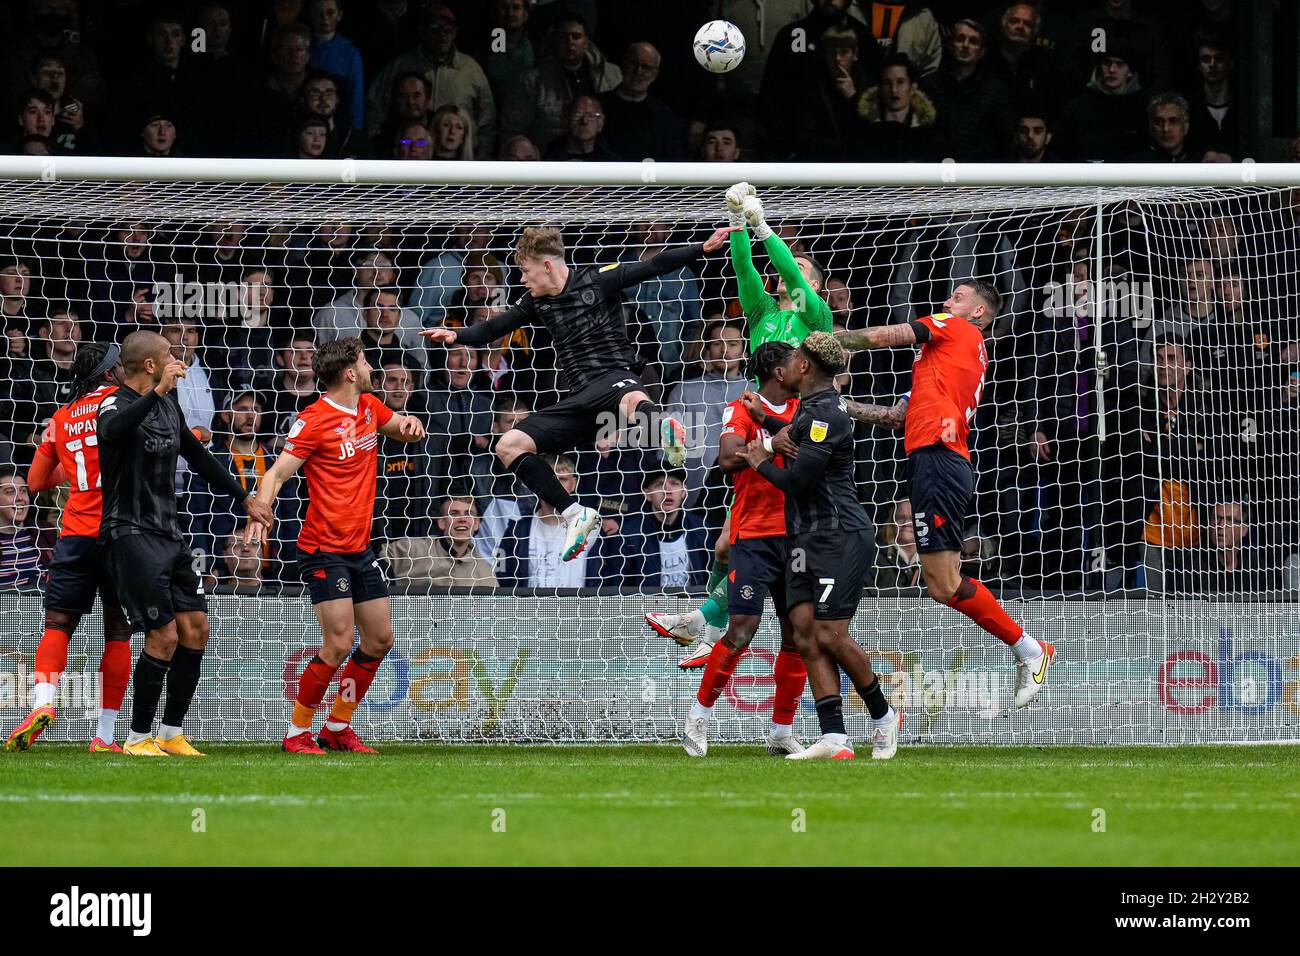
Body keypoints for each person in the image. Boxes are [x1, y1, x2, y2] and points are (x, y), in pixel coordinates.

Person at [421, 225, 733, 565]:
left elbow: (654, 265)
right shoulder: (535, 302)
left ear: (547, 266)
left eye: (525, 271)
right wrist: (456, 335)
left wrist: (701, 248)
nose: (522, 279)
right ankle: (575, 514)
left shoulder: (597, 278)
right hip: (581, 400)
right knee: (507, 446)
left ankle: (663, 428)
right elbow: (494, 327)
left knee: (629, 398)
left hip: (615, 378)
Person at [836, 281, 1055, 708]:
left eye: (957, 297)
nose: (945, 302)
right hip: (933, 461)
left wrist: (828, 341)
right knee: (942, 584)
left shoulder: (956, 330)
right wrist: (838, 406)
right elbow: (895, 416)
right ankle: (1029, 650)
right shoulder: (939, 362)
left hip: (940, 459)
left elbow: (888, 335)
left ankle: (1030, 649)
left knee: (945, 582)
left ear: (978, 313)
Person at [646, 183, 831, 659]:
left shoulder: (816, 316)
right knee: (728, 546)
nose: (789, 272)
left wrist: (763, 224)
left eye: (803, 269)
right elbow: (745, 268)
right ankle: (707, 628)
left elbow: (789, 269)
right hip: (754, 415)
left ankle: (706, 623)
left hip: (795, 424)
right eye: (790, 269)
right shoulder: (762, 313)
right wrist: (735, 220)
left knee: (761, 551)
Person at [96, 330, 273, 757]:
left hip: (170, 534)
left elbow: (198, 456)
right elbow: (113, 432)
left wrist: (244, 497)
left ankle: (171, 732)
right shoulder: (113, 402)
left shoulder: (169, 406)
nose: (179, 361)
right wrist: (156, 393)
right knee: (163, 636)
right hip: (131, 533)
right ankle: (138, 738)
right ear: (152, 366)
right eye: (171, 356)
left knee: (196, 629)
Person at [248, 337, 425, 754]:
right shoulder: (313, 420)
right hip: (323, 548)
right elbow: (275, 474)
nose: (370, 369)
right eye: (364, 362)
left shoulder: (368, 406)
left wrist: (411, 424)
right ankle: (296, 732)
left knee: (379, 639)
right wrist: (260, 509)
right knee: (339, 643)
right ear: (349, 372)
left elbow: (401, 427)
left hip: (360, 547)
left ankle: (337, 726)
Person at [738, 333, 900, 760]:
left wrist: (759, 461)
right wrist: (771, 425)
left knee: (830, 633)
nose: (785, 366)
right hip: (804, 537)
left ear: (805, 368)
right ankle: (834, 737)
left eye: (792, 359)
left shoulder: (827, 413)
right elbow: (802, 438)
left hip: (839, 535)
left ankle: (884, 717)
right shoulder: (812, 410)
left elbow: (799, 480)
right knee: (805, 633)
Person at [681, 342, 808, 756]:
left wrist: (765, 439)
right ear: (778, 373)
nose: (802, 370)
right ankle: (699, 718)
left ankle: (780, 732)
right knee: (741, 630)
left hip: (798, 537)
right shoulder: (740, 408)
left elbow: (811, 456)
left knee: (799, 635)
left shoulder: (805, 409)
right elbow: (728, 457)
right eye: (795, 365)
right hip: (753, 535)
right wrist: (771, 445)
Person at [4, 343, 131, 754]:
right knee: (118, 630)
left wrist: (63, 457)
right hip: (118, 533)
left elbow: (37, 481)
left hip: (74, 534)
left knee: (58, 624)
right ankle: (105, 735)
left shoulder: (63, 416)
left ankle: (43, 703)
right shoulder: (122, 404)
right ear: (110, 374)